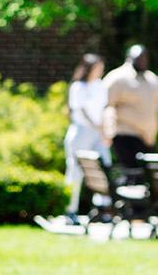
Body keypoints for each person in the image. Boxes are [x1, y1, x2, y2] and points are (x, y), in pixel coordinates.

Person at [100, 45, 158, 170]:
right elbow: (106, 106)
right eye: (139, 58)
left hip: (148, 138)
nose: (143, 61)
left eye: (145, 58)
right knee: (133, 174)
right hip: (126, 136)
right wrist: (108, 131)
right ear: (129, 58)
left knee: (146, 177)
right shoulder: (117, 78)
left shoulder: (152, 79)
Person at [61, 52, 108, 223]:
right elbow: (80, 111)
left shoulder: (101, 86)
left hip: (98, 133)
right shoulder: (78, 87)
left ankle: (103, 209)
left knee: (103, 167)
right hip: (81, 132)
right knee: (75, 171)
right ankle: (69, 210)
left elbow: (103, 109)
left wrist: (103, 128)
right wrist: (95, 125)